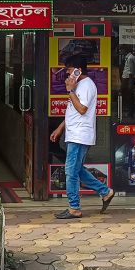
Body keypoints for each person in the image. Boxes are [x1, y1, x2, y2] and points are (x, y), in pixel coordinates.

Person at [49, 55, 114, 219]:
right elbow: (72, 110)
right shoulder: (78, 85)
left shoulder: (86, 86)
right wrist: (59, 128)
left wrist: (70, 90)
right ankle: (105, 192)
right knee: (76, 169)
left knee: (70, 171)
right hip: (74, 133)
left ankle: (74, 208)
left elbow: (82, 109)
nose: (67, 74)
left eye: (70, 70)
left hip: (80, 135)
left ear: (78, 70)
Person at [121, 46, 135, 117]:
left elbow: (131, 71)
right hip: (126, 78)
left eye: (121, 50)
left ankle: (130, 112)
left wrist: (130, 83)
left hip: (128, 79)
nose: (121, 51)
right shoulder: (128, 57)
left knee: (129, 96)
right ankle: (128, 111)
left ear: (125, 50)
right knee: (127, 95)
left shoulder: (130, 58)